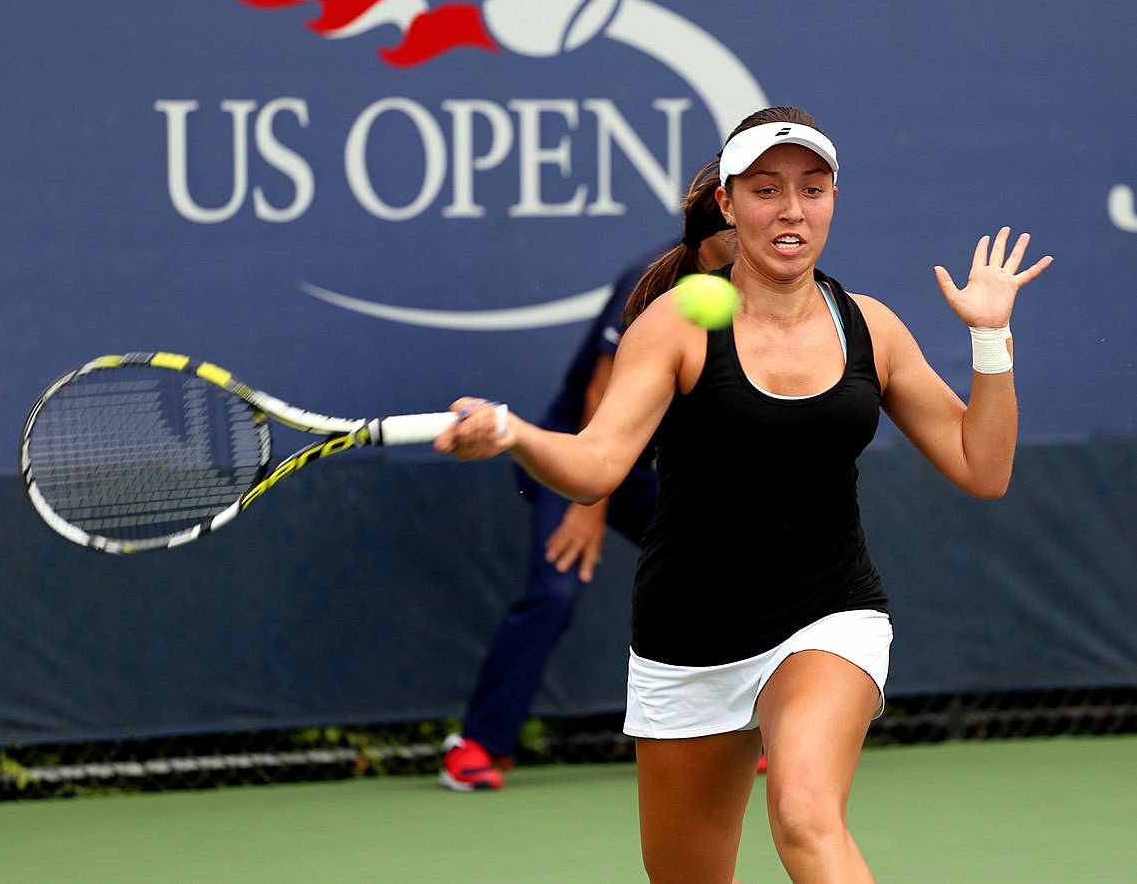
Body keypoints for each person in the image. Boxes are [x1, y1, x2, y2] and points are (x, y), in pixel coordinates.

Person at [434, 106, 1052, 882]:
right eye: (766, 189)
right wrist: (514, 433)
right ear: (728, 204)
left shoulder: (873, 330)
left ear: (833, 200)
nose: (792, 209)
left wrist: (990, 339)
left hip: (829, 614)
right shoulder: (674, 326)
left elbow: (982, 467)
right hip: (686, 641)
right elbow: (597, 463)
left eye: (813, 188)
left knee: (805, 814)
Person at [440, 166, 739, 791]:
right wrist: (588, 500)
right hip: (574, 450)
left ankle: (735, 729)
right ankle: (475, 744)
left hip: (656, 462)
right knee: (556, 588)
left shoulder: (760, 287)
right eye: (751, 206)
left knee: (727, 569)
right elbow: (601, 396)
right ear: (719, 214)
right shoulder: (655, 280)